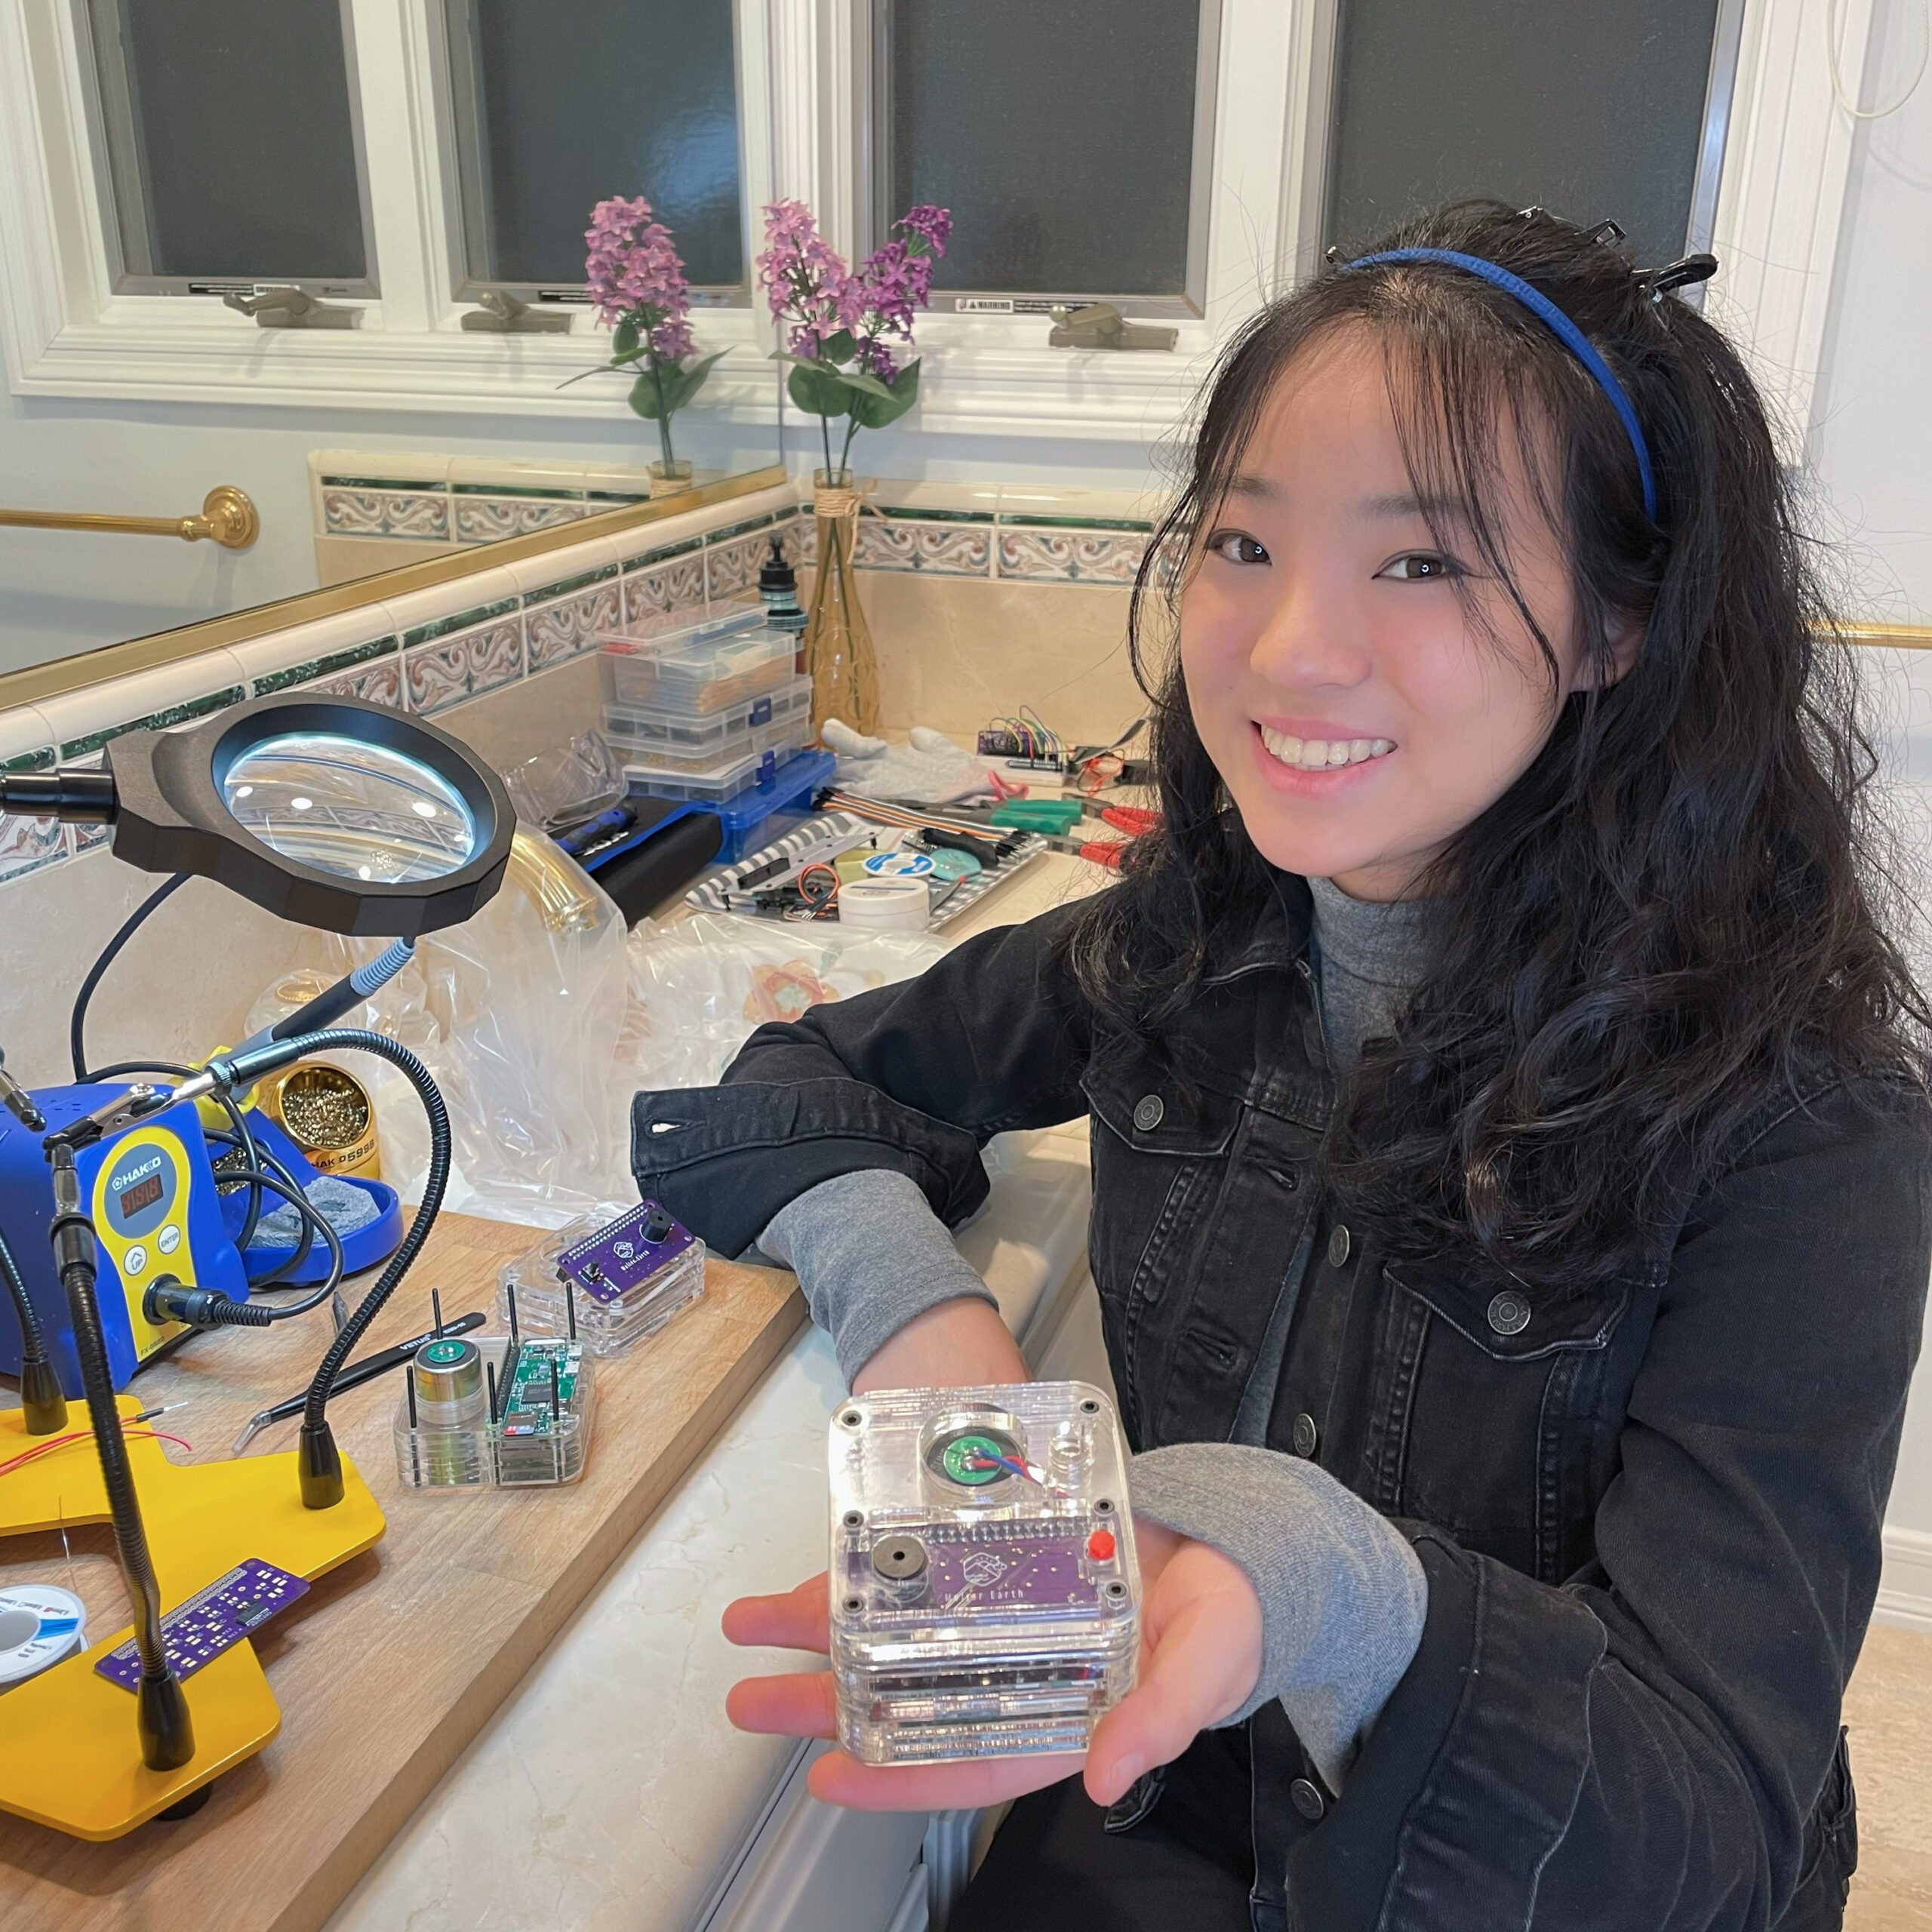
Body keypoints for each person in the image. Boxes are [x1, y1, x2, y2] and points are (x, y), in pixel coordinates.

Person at [632, 202, 1932, 1930]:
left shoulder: (1803, 1134)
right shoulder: (1191, 951)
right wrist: (933, 1335)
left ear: (1617, 623)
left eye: (1422, 560)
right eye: (1240, 545)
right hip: (1190, 1800)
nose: (1289, 644)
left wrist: (1306, 1572)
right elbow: (775, 1086)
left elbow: (1696, 1825)